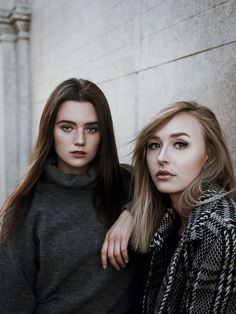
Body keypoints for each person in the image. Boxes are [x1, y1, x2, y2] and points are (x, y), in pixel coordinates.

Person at [0, 78, 145, 313]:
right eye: (67, 127)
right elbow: (12, 302)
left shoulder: (130, 185)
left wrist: (134, 212)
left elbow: (176, 201)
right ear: (50, 131)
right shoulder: (25, 205)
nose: (80, 140)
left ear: (103, 133)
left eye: (91, 128)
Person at [101, 101, 236, 313]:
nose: (162, 158)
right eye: (154, 145)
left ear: (208, 157)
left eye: (180, 144)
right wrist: (131, 212)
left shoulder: (221, 232)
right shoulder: (169, 217)